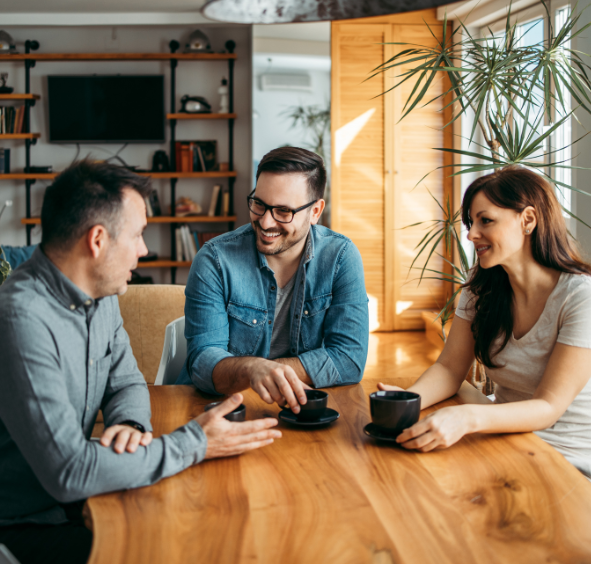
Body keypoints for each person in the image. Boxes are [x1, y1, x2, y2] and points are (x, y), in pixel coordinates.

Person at [0, 160, 281, 564]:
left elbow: (128, 381)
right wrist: (197, 442)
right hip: (23, 524)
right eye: (137, 235)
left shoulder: (101, 291)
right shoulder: (19, 318)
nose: (144, 249)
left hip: (80, 500)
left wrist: (128, 424)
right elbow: (69, 473)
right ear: (97, 240)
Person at [379, 166, 591, 479]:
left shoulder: (580, 297)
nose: (471, 234)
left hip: (568, 460)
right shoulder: (481, 288)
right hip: (506, 440)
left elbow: (548, 407)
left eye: (485, 220)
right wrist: (410, 402)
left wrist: (466, 418)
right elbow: (450, 369)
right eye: (471, 222)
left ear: (528, 220)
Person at [177, 147, 369, 414]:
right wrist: (252, 370)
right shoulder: (215, 260)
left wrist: (269, 372)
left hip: (301, 411)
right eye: (259, 204)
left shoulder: (341, 258)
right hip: (222, 411)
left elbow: (349, 359)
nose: (265, 222)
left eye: (283, 211)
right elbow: (202, 363)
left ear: (315, 211)